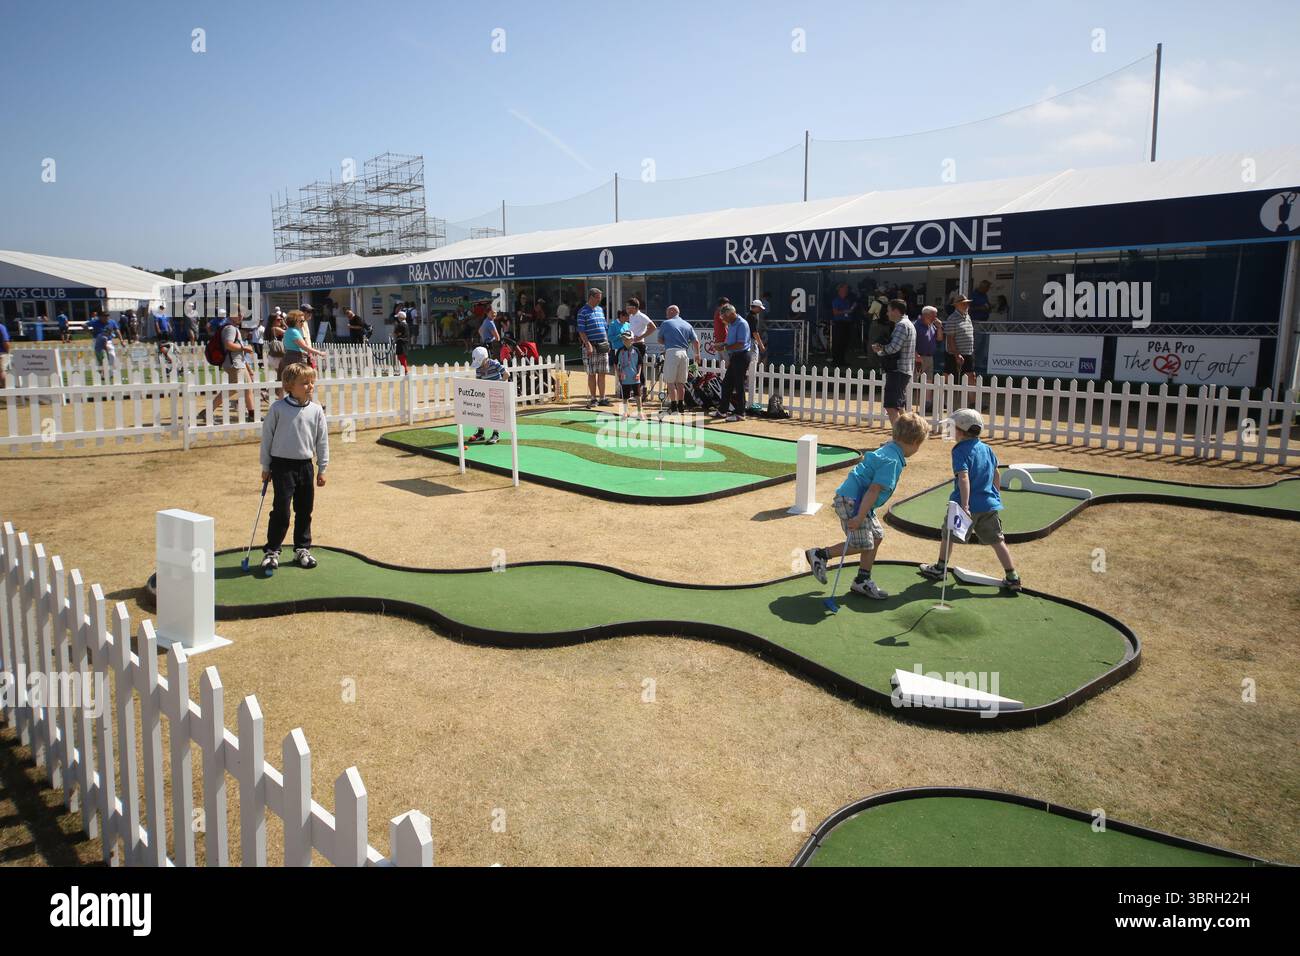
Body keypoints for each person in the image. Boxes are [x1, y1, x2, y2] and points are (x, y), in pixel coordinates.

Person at [804, 411, 930, 600]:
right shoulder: (891, 461)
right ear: (914, 442)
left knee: (876, 536)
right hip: (853, 502)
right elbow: (873, 490)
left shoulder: (889, 449)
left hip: (857, 500)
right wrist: (859, 517)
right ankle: (821, 554)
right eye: (919, 445)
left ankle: (862, 580)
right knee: (862, 544)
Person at [919, 408, 1020, 591]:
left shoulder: (959, 450)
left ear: (961, 430)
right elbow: (996, 473)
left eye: (952, 427)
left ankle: (940, 568)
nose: (950, 431)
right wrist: (996, 495)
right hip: (988, 505)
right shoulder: (987, 448)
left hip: (963, 506)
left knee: (948, 535)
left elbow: (963, 477)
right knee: (997, 540)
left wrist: (965, 505)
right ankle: (1012, 577)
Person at [259, 362, 329, 572]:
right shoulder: (278, 408)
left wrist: (322, 468)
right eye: (304, 383)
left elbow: (322, 440)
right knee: (281, 510)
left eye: (312, 382)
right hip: (282, 466)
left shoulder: (316, 410)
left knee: (305, 509)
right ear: (289, 385)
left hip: (305, 466)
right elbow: (267, 438)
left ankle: (302, 548)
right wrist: (266, 466)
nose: (310, 386)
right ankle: (272, 551)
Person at [872, 299, 916, 425]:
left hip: (898, 370)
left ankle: (898, 435)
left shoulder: (901, 325)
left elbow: (893, 348)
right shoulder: (908, 324)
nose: (887, 313)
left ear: (896, 311)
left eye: (889, 310)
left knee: (891, 407)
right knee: (899, 406)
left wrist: (879, 349)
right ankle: (907, 433)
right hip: (904, 370)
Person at [656, 305, 700, 416]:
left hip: (672, 352)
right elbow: (696, 341)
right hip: (684, 353)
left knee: (670, 382)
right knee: (681, 382)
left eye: (667, 312)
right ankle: (681, 406)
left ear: (672, 311)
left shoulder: (666, 323)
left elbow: (660, 340)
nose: (666, 314)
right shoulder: (687, 324)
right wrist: (697, 354)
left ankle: (674, 407)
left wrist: (668, 341)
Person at [714, 304, 750, 423]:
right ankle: (723, 411)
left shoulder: (741, 324)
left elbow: (740, 344)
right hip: (735, 356)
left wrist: (724, 348)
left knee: (739, 385)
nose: (723, 320)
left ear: (730, 314)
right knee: (727, 384)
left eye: (724, 317)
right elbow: (730, 342)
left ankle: (741, 413)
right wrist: (723, 345)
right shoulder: (732, 324)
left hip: (742, 356)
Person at [220, 311, 257, 423]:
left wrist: (249, 369)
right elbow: (228, 345)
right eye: (239, 314)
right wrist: (244, 348)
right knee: (232, 390)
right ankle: (207, 411)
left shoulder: (233, 328)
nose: (241, 317)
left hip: (239, 363)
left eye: (242, 315)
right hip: (234, 364)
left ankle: (252, 415)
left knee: (248, 388)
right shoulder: (230, 328)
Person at [467, 346, 509, 445]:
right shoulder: (478, 368)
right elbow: (479, 381)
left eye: (480, 362)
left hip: (496, 393)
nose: (479, 365)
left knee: (495, 414)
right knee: (480, 411)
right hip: (485, 393)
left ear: (485, 359)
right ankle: (480, 433)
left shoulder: (495, 364)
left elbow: (506, 374)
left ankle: (496, 434)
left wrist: (498, 383)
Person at [577, 287, 611, 407]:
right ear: (591, 297)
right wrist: (588, 345)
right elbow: (581, 331)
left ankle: (602, 398)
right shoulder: (582, 312)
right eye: (597, 298)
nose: (599, 300)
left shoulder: (600, 310)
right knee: (592, 373)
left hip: (602, 345)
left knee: (602, 372)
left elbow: (604, 327)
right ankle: (593, 398)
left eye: (600, 298)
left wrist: (607, 342)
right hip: (591, 346)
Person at [946, 292, 977, 407]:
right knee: (948, 378)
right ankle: (943, 401)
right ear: (957, 305)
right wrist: (956, 354)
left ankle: (973, 403)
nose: (966, 305)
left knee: (971, 377)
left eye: (967, 303)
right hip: (955, 354)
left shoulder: (967, 316)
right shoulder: (952, 318)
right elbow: (950, 338)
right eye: (963, 304)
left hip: (968, 352)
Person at [625, 298, 655, 400]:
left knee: (638, 368)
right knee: (632, 368)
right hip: (632, 344)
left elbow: (653, 327)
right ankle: (636, 391)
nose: (627, 309)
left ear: (634, 307)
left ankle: (642, 390)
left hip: (639, 345)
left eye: (628, 307)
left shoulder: (642, 316)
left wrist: (641, 337)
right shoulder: (631, 316)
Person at [615, 330, 642, 418]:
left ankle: (640, 412)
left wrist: (638, 373)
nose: (624, 341)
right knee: (625, 397)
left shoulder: (636, 350)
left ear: (632, 339)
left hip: (635, 377)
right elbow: (615, 363)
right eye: (623, 339)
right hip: (624, 378)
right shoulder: (620, 350)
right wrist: (618, 373)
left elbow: (640, 364)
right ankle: (625, 412)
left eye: (626, 339)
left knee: (638, 396)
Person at [830, 282, 857, 367]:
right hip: (839, 324)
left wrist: (851, 309)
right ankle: (835, 361)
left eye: (847, 288)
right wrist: (845, 311)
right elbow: (835, 312)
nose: (847, 290)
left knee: (844, 342)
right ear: (840, 289)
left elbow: (848, 311)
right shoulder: (836, 300)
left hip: (847, 323)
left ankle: (841, 361)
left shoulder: (846, 300)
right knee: (838, 342)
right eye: (845, 288)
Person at [0, 316, 10, 396]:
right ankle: (5, 390)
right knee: (2, 371)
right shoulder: (1, 327)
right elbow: (5, 341)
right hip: (1, 352)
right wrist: (7, 351)